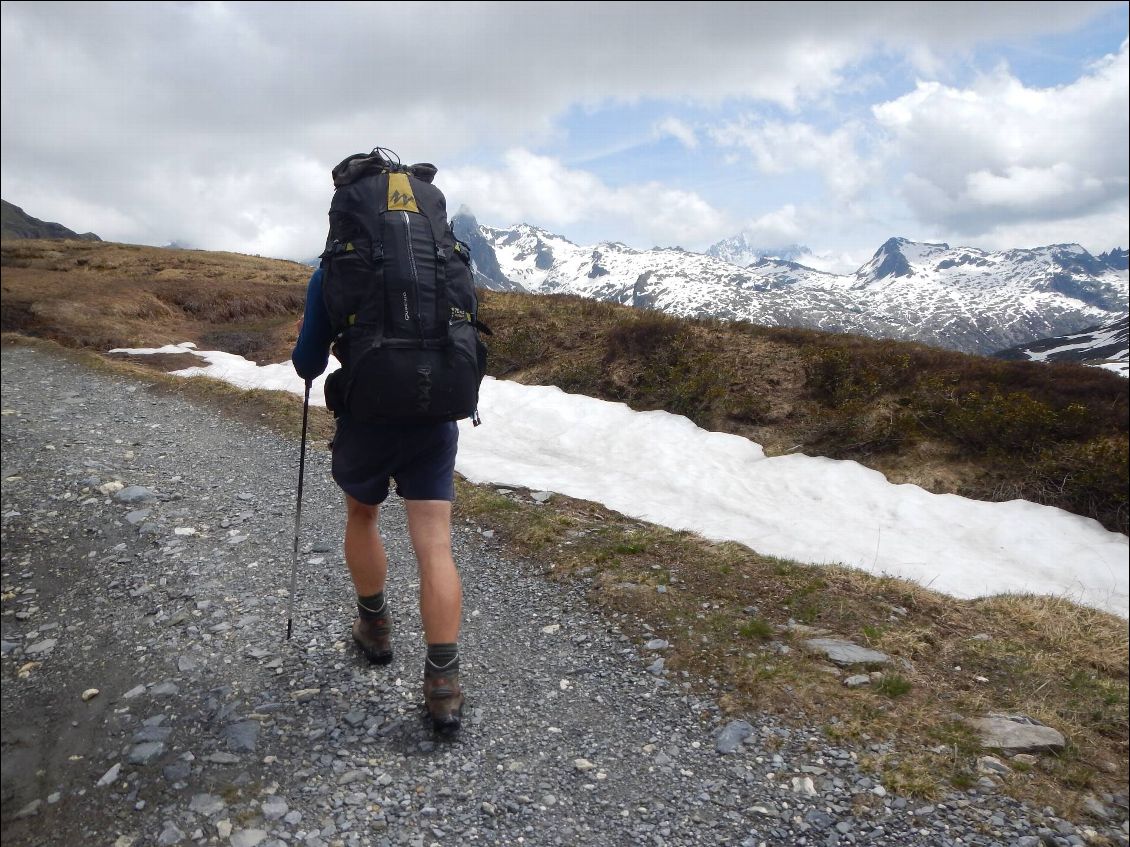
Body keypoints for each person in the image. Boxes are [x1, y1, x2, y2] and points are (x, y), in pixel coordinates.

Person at [291, 265, 465, 735]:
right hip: (434, 413)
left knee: (362, 515)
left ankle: (375, 627)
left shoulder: (334, 267)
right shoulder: (444, 259)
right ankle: (443, 684)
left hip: (366, 417)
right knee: (435, 546)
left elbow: (309, 363)